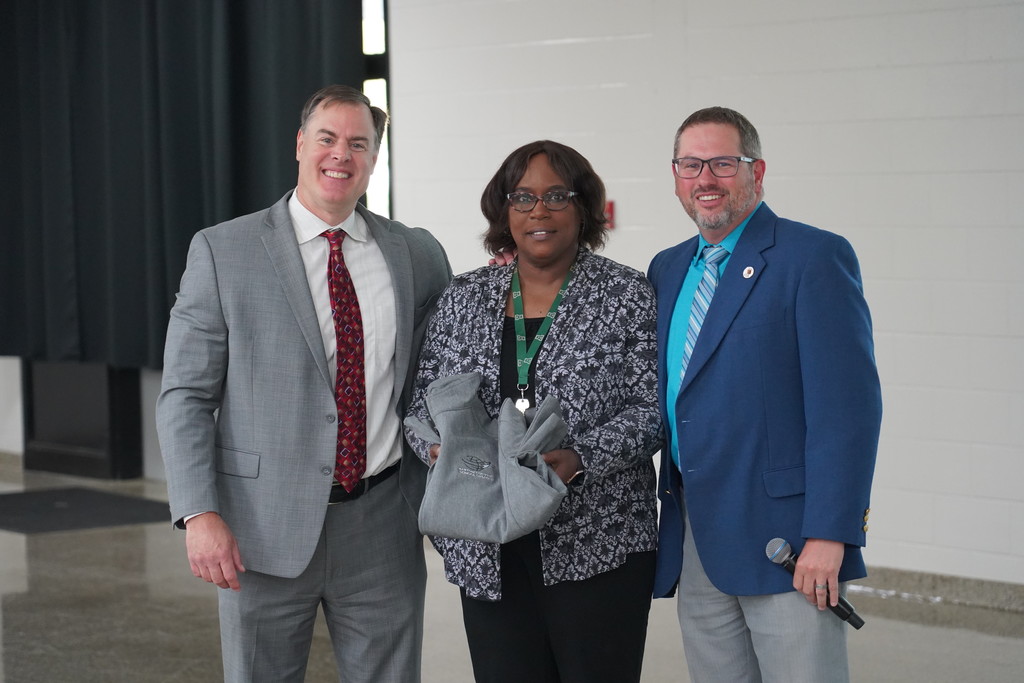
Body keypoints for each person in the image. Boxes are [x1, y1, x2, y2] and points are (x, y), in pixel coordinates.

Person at [156, 84, 452, 682]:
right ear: (299, 145)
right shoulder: (223, 250)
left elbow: (449, 350)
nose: (341, 154)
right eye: (327, 138)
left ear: (374, 157)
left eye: (359, 143)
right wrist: (198, 513)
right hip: (258, 529)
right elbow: (186, 394)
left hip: (382, 525)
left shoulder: (415, 254)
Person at [405, 140, 662, 683]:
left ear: (583, 207)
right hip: (488, 542)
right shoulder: (465, 296)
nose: (538, 211)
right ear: (504, 211)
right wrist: (436, 449)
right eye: (521, 197)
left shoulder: (627, 294)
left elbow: (653, 409)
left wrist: (580, 456)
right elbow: (421, 402)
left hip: (597, 540)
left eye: (555, 196)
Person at [648, 106, 882, 682]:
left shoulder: (812, 258)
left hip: (790, 544)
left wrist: (831, 534)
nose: (705, 179)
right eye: (691, 165)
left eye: (723, 163)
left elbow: (847, 412)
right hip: (697, 537)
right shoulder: (667, 270)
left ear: (758, 171)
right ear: (675, 175)